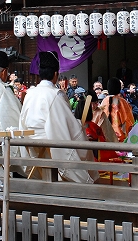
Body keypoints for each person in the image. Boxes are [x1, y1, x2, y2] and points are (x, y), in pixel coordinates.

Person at [19, 50, 97, 183]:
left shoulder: (30, 93)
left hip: (31, 141)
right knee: (78, 133)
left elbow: (22, 120)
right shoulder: (55, 95)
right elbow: (65, 122)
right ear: (56, 74)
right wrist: (78, 124)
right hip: (50, 139)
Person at [101, 77, 135, 142]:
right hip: (120, 138)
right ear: (119, 88)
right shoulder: (123, 102)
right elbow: (128, 120)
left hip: (106, 137)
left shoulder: (104, 102)